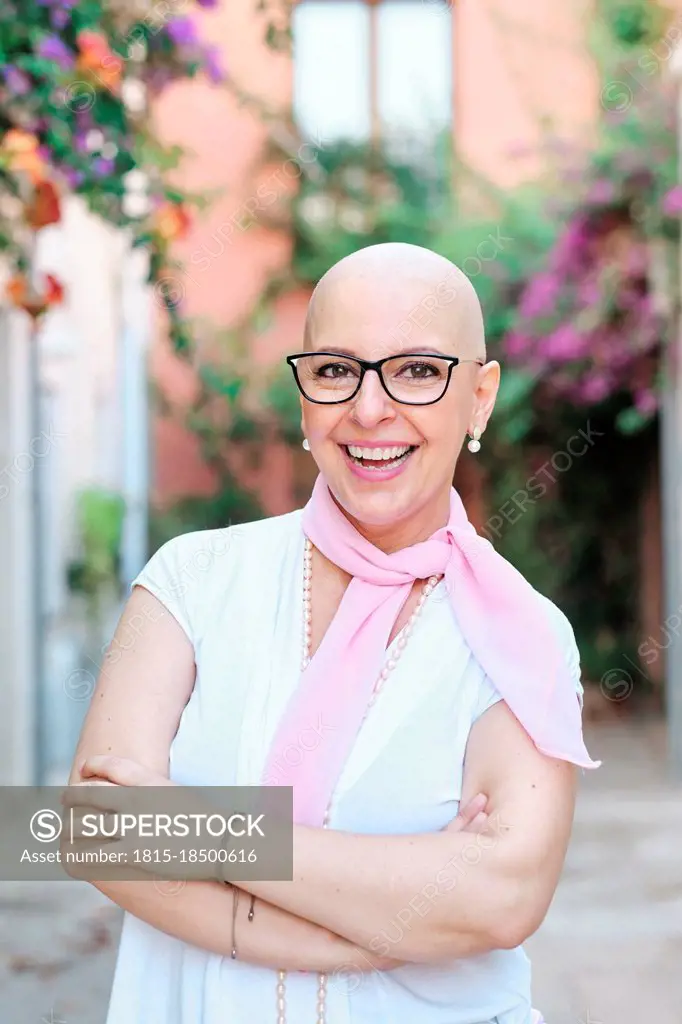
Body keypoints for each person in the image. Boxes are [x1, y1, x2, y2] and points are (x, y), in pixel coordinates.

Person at [64, 242, 600, 1024]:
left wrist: (199, 827)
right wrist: (365, 929)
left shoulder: (523, 636)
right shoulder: (194, 581)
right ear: (304, 393)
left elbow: (500, 896)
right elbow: (85, 832)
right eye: (335, 370)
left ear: (479, 398)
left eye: (417, 370)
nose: (370, 409)